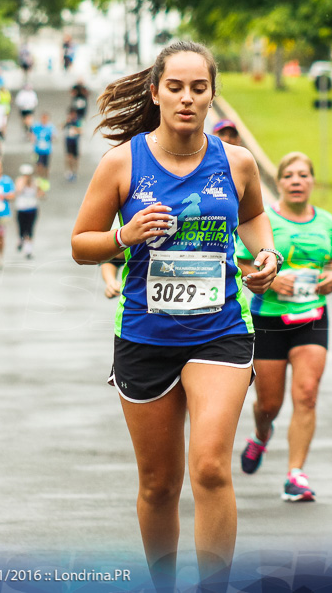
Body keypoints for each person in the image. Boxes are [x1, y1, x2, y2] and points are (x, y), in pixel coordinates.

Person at [70, 40, 280, 592]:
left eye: (199, 88)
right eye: (176, 87)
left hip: (222, 331)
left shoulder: (236, 162)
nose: (187, 99)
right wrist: (123, 235)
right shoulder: (123, 163)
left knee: (210, 467)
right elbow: (80, 244)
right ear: (156, 92)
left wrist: (267, 256)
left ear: (212, 94)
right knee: (159, 485)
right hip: (145, 333)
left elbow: (256, 217)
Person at [236, 152, 332, 502]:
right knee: (269, 403)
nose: (296, 181)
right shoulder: (266, 220)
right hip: (268, 319)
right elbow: (242, 260)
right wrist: (271, 277)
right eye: (289, 176)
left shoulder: (327, 221)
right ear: (278, 182)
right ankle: (261, 435)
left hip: (311, 316)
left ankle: (296, 474)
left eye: (303, 175)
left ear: (312, 181)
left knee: (307, 394)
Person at [13, 163, 45, 259]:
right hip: (21, 209)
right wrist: (24, 182)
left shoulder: (35, 182)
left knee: (30, 229)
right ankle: (21, 240)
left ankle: (28, 251)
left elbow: (41, 193)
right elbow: (17, 191)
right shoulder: (19, 181)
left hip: (32, 209)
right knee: (22, 229)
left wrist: (40, 194)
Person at [30, 111, 55, 179]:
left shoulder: (50, 127)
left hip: (46, 150)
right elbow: (32, 135)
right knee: (39, 165)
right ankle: (39, 178)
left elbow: (54, 137)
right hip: (38, 149)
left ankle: (45, 178)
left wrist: (52, 138)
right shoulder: (36, 126)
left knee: (46, 166)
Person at [63, 108, 82, 182]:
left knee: (75, 158)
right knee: (69, 157)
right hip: (68, 141)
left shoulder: (77, 121)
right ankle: (70, 171)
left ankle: (75, 172)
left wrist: (75, 129)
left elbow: (81, 131)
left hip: (75, 141)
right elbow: (61, 127)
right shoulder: (67, 121)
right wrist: (66, 122)